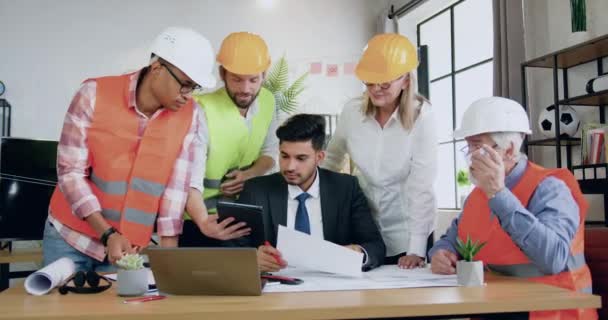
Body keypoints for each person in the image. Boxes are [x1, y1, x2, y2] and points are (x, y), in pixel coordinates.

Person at [42, 27, 228, 272]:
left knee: (119, 310)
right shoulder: (93, 95)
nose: (187, 95)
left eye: (194, 87)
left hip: (127, 250)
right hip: (71, 238)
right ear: (157, 67)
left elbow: (176, 189)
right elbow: (70, 173)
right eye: (184, 84)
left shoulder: (190, 115)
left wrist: (168, 261)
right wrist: (107, 234)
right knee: (58, 310)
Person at [429, 97, 597, 320]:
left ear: (509, 150)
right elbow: (452, 239)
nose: (469, 158)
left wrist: (499, 194)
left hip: (550, 311)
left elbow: (553, 259)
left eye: (477, 147)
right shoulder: (476, 196)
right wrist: (439, 253)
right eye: (467, 147)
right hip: (493, 307)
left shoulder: (551, 189)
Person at [322, 33, 437, 268]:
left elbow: (421, 186)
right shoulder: (352, 113)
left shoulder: (423, 117)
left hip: (409, 232)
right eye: (369, 82)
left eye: (384, 83)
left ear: (405, 80)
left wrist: (416, 250)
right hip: (365, 231)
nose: (375, 90)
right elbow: (330, 160)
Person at [236, 114, 386, 272]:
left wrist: (358, 253)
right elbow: (232, 245)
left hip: (333, 286)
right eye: (284, 156)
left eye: (301, 158)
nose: (290, 167)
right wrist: (251, 258)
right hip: (277, 287)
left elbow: (375, 246)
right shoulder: (256, 190)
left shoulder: (345, 188)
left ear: (319, 157)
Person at [180, 31, 279, 247]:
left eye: (253, 80)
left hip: (246, 214)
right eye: (236, 79)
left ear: (264, 74)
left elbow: (270, 153)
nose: (245, 89)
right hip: (200, 221)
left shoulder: (269, 102)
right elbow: (189, 179)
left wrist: (249, 174)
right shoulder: (201, 110)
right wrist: (204, 222)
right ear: (222, 73)